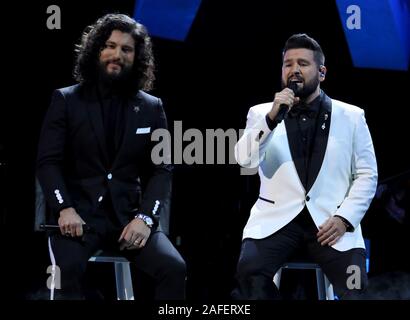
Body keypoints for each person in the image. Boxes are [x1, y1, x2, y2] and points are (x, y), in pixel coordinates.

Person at [36, 13, 186, 300]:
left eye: (126, 49)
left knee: (174, 268)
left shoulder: (153, 107)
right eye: (110, 45)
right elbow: (48, 162)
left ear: (136, 57)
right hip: (77, 218)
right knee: (65, 272)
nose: (117, 54)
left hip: (128, 218)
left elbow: (162, 169)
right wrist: (64, 208)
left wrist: (145, 217)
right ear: (96, 50)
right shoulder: (66, 100)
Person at [232, 33, 377, 299]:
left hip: (332, 223)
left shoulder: (352, 117)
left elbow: (367, 175)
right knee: (249, 277)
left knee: (355, 286)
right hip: (275, 223)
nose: (294, 70)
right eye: (288, 64)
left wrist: (345, 219)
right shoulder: (261, 113)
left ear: (321, 72)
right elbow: (244, 160)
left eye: (303, 63)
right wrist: (271, 119)